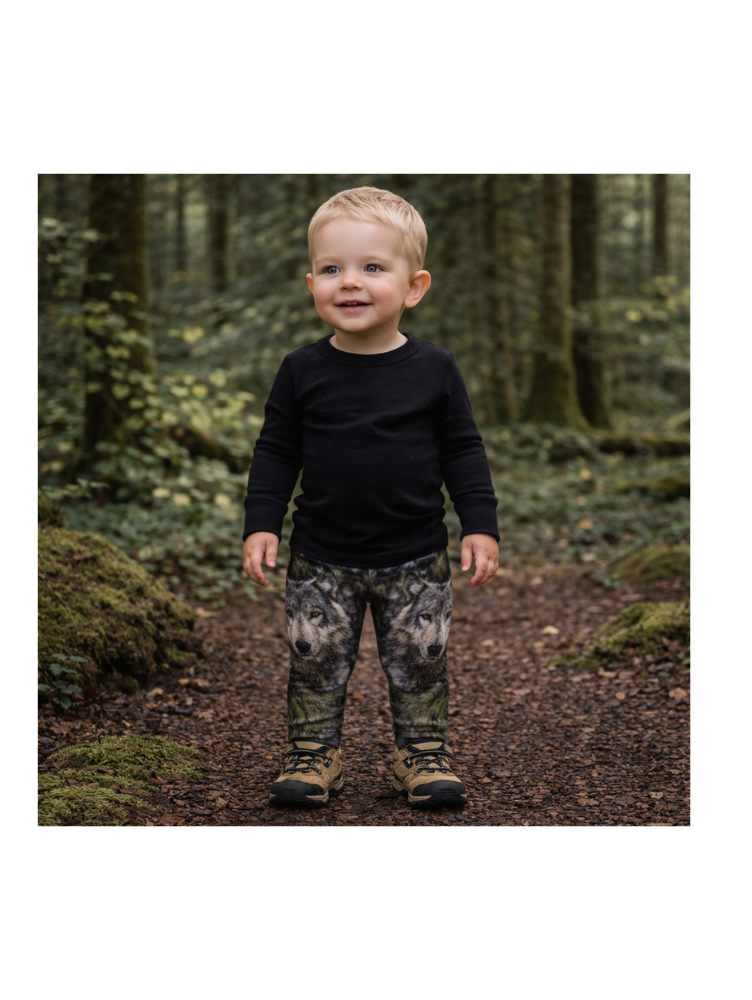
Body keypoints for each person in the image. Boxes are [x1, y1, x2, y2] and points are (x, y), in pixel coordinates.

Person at [242, 187, 499, 808]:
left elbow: (463, 449)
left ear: (414, 287)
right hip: (321, 556)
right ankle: (311, 754)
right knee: (315, 661)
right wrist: (261, 523)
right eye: (332, 269)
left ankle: (422, 752)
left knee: (420, 661)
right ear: (312, 283)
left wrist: (479, 524)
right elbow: (276, 451)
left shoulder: (434, 368)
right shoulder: (302, 369)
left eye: (372, 268)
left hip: (415, 556)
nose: (349, 283)